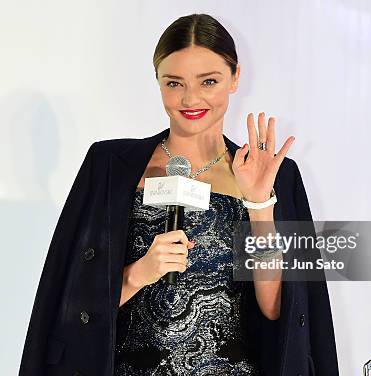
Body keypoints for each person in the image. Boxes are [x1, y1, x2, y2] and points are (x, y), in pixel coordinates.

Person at [19, 13, 339, 376]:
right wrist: (138, 274)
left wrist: (260, 204)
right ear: (157, 81)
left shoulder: (277, 177)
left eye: (209, 81)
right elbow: (67, 303)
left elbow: (276, 310)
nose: (190, 98)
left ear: (235, 78)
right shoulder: (108, 165)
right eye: (174, 83)